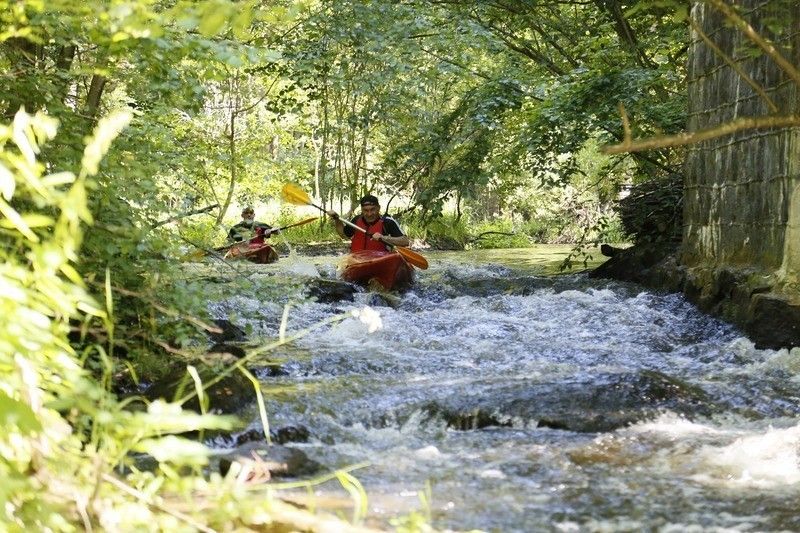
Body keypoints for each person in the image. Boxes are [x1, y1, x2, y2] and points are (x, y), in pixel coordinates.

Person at [327, 194, 410, 252]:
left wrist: (383, 238)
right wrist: (337, 219)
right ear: (362, 210)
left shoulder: (387, 222)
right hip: (358, 260)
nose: (369, 214)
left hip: (380, 260)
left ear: (378, 208)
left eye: (372, 209)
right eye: (366, 210)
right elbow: (343, 234)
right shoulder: (356, 220)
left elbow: (405, 241)